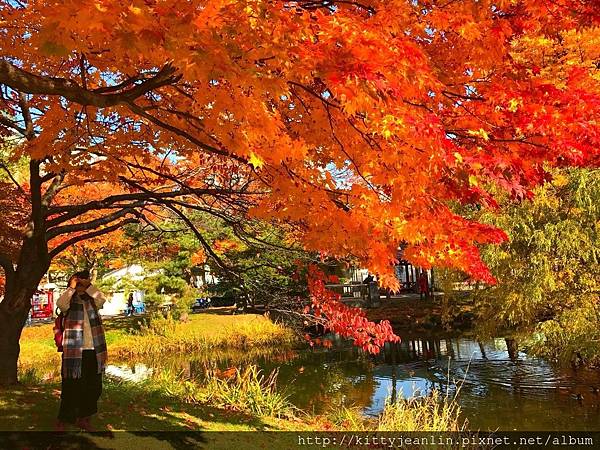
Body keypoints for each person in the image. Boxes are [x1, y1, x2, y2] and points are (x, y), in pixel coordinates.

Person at [55, 270, 108, 432]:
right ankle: (63, 420)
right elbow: (60, 304)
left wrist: (89, 286)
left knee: (93, 387)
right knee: (71, 387)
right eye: (78, 282)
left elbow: (102, 299)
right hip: (74, 352)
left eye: (82, 283)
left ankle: (84, 418)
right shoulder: (69, 301)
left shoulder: (92, 301)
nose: (80, 285)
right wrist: (71, 288)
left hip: (94, 350)